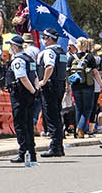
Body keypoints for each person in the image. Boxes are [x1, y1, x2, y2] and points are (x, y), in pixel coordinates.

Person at [35, 29, 69, 157]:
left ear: (49, 38)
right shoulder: (61, 51)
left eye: (44, 37)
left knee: (51, 115)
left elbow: (49, 66)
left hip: (51, 86)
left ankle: (55, 147)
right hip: (59, 84)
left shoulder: (49, 51)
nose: (43, 39)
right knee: (56, 115)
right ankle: (58, 146)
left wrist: (43, 81)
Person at [6, 35, 38, 164]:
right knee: (28, 124)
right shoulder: (29, 59)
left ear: (14, 47)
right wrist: (35, 91)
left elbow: (23, 78)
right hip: (29, 95)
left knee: (20, 124)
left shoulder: (18, 61)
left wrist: (32, 90)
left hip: (21, 95)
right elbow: (35, 76)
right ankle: (31, 152)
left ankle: (23, 152)